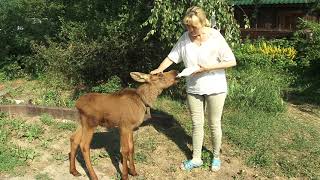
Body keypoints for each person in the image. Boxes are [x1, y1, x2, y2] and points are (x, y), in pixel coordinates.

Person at [150, 6, 236, 172]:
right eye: (187, 26)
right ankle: (196, 158)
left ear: (203, 23)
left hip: (215, 87)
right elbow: (171, 57)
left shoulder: (215, 37)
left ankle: (216, 156)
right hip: (194, 88)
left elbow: (231, 61)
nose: (190, 30)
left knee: (214, 123)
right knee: (197, 124)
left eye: (194, 26)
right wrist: (159, 69)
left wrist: (207, 68)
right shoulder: (184, 38)